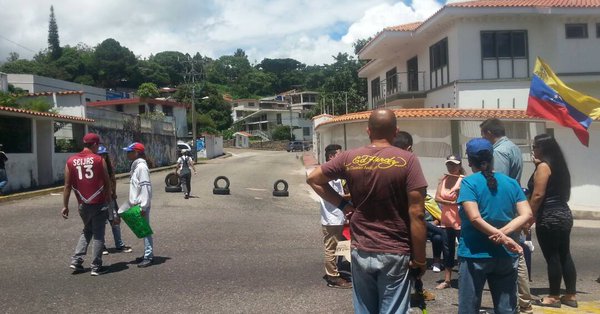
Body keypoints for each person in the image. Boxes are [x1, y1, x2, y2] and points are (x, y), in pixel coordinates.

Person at [307, 109, 428, 314]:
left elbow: (313, 179)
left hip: (361, 249)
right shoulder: (408, 160)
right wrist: (420, 259)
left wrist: (344, 206)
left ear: (368, 130)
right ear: (396, 131)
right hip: (395, 249)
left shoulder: (349, 157)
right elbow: (417, 213)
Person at [457, 138, 532, 314]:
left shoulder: (469, 183)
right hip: (505, 255)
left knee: (469, 307)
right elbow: (527, 214)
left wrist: (502, 237)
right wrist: (504, 236)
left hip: (474, 253)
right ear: (492, 158)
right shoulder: (511, 183)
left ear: (470, 161)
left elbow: (475, 218)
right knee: (506, 307)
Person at [480, 118, 533, 313]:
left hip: (504, 210)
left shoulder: (500, 152)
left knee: (511, 255)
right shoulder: (513, 147)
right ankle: (522, 302)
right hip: (513, 205)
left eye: (483, 135)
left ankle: (519, 303)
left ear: (489, 133)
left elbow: (497, 183)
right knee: (515, 253)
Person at [528, 134, 578, 308]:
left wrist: (529, 217)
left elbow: (538, 194)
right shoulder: (559, 166)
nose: (533, 150)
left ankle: (554, 296)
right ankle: (570, 295)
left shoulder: (543, 167)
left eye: (535, 147)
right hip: (564, 213)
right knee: (565, 254)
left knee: (553, 257)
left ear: (543, 148)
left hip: (548, 215)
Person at [61, 133, 113, 276]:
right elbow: (107, 183)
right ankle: (96, 266)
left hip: (82, 204)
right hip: (99, 202)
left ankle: (76, 260)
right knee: (98, 234)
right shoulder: (99, 160)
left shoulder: (71, 161)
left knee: (87, 230)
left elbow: (67, 185)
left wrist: (65, 205)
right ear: (95, 144)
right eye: (98, 145)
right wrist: (109, 202)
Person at [319, 144, 352, 289]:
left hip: (337, 216)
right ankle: (333, 277)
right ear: (332, 157)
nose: (342, 156)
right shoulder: (328, 172)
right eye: (339, 154)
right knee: (331, 248)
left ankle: (337, 272)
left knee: (341, 245)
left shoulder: (334, 173)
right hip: (331, 218)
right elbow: (335, 196)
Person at [434, 154, 465, 290]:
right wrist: (450, 201)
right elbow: (436, 197)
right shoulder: (444, 178)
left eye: (454, 164)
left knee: (463, 248)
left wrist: (453, 200)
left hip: (460, 220)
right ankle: (447, 279)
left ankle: (465, 277)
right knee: (447, 249)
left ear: (459, 165)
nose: (451, 167)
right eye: (449, 164)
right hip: (446, 219)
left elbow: (465, 200)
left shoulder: (464, 180)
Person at [97, 145, 133, 255]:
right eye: (100, 155)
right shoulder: (94, 167)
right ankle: (101, 247)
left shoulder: (108, 166)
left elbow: (113, 180)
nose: (102, 157)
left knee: (115, 221)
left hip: (110, 198)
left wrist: (114, 193)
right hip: (99, 199)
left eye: (104, 155)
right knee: (100, 223)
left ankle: (119, 245)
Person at [123, 142, 154, 268]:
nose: (127, 154)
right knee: (142, 230)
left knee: (145, 231)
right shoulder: (137, 166)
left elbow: (145, 187)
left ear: (136, 152)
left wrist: (143, 206)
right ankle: (147, 254)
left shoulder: (141, 167)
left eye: (129, 151)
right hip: (139, 204)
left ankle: (148, 256)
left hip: (141, 205)